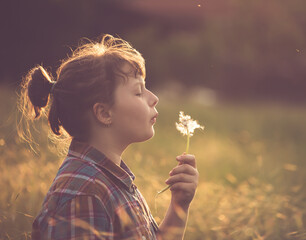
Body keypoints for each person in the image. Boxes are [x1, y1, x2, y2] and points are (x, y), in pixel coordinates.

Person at [18, 34, 199, 239]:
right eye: (139, 92)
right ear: (104, 113)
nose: (154, 98)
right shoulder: (83, 196)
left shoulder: (111, 179)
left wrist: (179, 204)